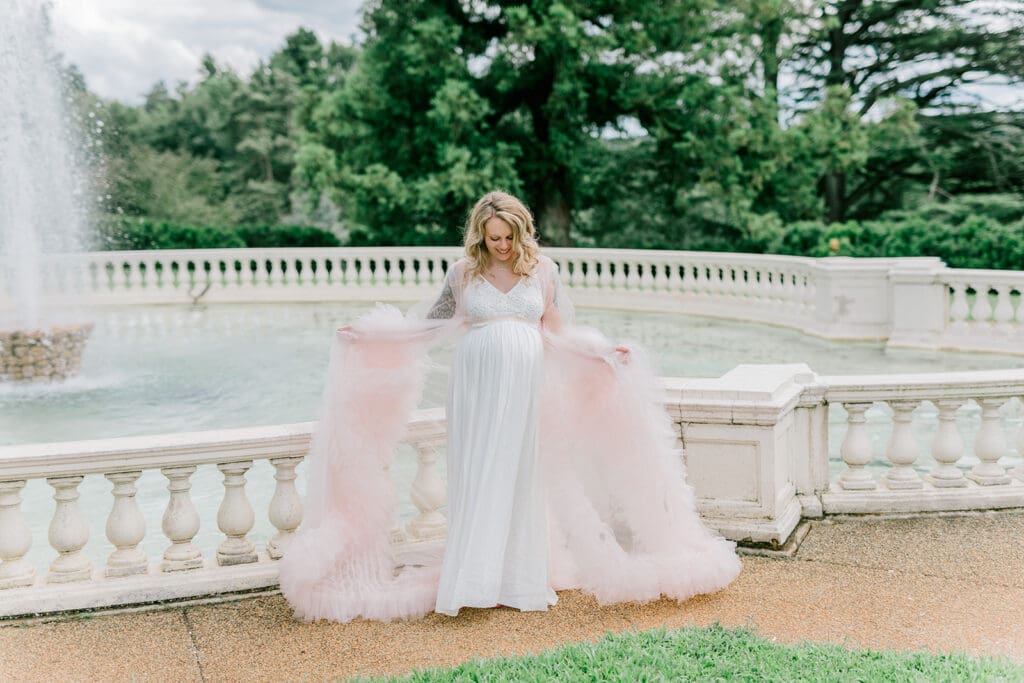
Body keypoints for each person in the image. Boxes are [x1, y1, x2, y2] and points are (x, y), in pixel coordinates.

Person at [278, 191, 740, 623]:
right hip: (477, 387)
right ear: (479, 235)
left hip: (526, 386)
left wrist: (600, 356)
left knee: (520, 477)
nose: (500, 246)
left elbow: (554, 334)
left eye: (507, 237)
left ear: (522, 232)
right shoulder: (463, 273)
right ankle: (474, 579)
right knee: (479, 475)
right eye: (491, 237)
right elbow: (428, 327)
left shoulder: (544, 271)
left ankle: (519, 579)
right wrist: (370, 336)